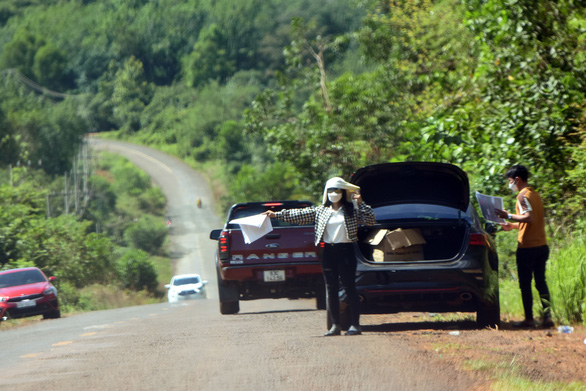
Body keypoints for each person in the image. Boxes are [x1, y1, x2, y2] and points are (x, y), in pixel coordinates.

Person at [263, 177, 376, 336]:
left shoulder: (352, 209)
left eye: (337, 190)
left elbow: (370, 220)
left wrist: (361, 202)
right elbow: (299, 215)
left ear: (343, 193)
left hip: (346, 250)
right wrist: (276, 215)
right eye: (330, 190)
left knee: (350, 287)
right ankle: (335, 325)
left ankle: (355, 325)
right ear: (326, 192)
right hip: (329, 252)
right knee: (331, 289)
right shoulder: (321, 210)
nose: (333, 194)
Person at [495, 164, 554, 329]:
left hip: (527, 248)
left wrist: (508, 215)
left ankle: (529, 320)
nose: (509, 184)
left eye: (509, 181)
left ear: (517, 180)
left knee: (525, 284)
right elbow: (531, 220)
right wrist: (512, 225)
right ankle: (547, 317)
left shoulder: (522, 196)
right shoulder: (535, 194)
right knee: (541, 282)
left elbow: (528, 218)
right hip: (542, 246)